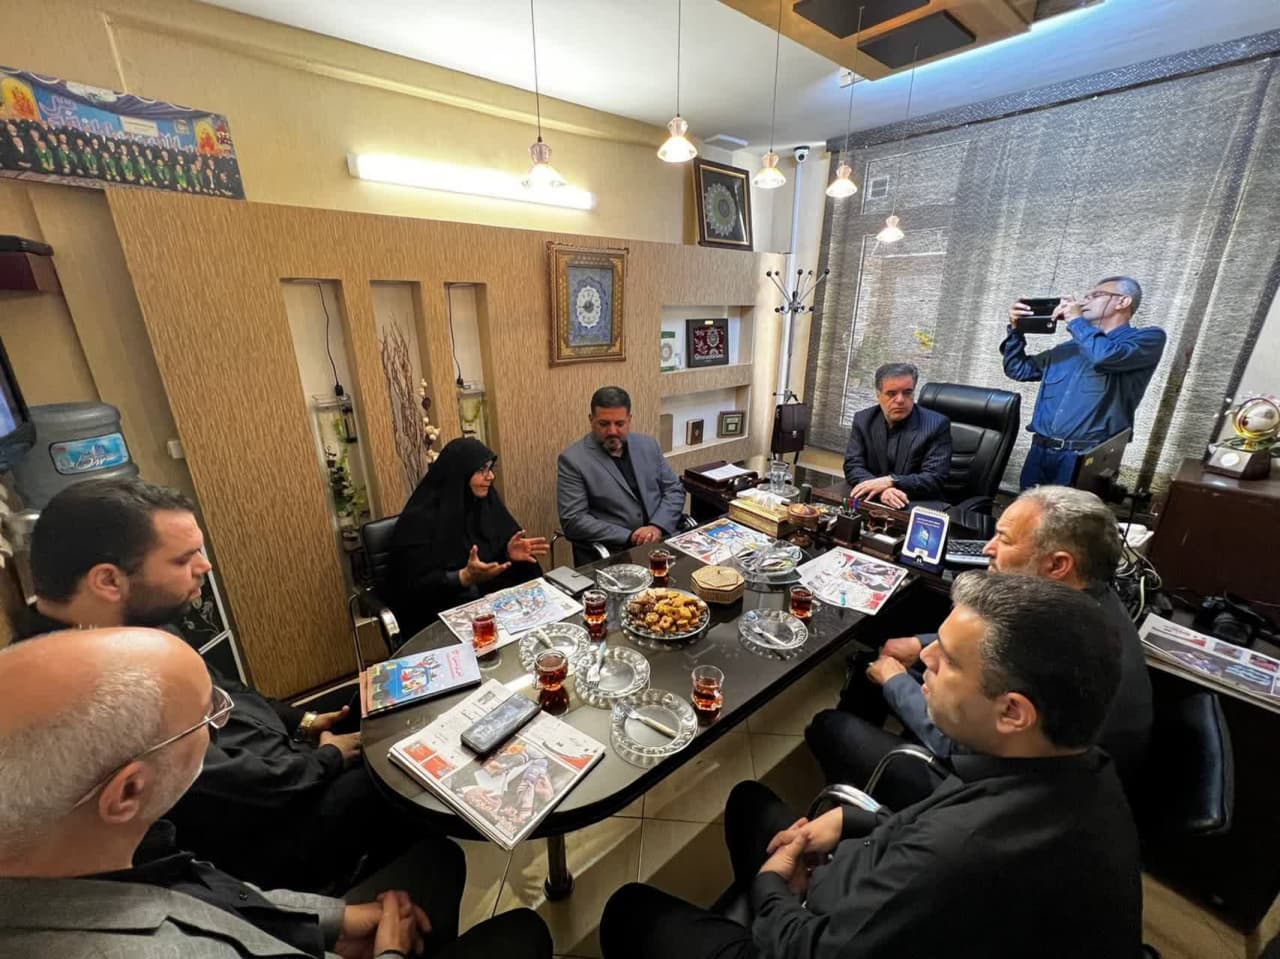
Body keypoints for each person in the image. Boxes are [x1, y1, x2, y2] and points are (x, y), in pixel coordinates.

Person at [600, 573, 1141, 959]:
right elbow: (935, 821)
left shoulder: (958, 854)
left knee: (629, 909)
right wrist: (856, 820)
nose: (925, 658)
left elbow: (808, 949)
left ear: (1012, 712)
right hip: (861, 884)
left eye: (949, 659)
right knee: (748, 802)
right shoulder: (1080, 769)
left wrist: (772, 888)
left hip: (811, 937)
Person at [0, 628, 553, 959]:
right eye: (210, 715)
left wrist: (331, 924)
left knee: (437, 861)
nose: (226, 722)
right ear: (128, 791)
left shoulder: (116, 850)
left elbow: (220, 898)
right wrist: (387, 949)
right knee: (524, 931)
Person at [20, 477, 454, 896]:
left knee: (385, 699)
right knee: (405, 771)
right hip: (271, 823)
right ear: (109, 581)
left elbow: (230, 691)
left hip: (286, 759)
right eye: (183, 559)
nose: (204, 566)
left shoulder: (141, 624)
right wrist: (327, 758)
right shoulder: (85, 696)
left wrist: (305, 721)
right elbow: (228, 786)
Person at [807, 485, 1153, 808]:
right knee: (876, 664)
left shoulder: (1052, 648)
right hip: (1026, 771)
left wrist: (895, 681)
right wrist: (919, 643)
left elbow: (956, 743)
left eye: (1004, 539)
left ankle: (857, 812)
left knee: (830, 726)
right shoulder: (1088, 605)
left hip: (996, 796)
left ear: (1057, 565)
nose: (988, 548)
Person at [1004, 276, 1166, 488]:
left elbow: (1104, 356)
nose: (1083, 302)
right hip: (1040, 451)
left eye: (1095, 296)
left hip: (1085, 457)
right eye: (1085, 297)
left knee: (1071, 510)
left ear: (1123, 302)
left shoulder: (1147, 339)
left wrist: (1075, 320)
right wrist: (1016, 329)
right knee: (1028, 508)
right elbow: (1018, 369)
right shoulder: (1069, 348)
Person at [389, 437, 548, 634]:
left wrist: (507, 553)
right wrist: (462, 577)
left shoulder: (486, 504)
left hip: (492, 608)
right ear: (460, 474)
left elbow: (492, 560)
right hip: (440, 617)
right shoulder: (418, 520)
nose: (490, 477)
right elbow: (411, 587)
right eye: (481, 470)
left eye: (490, 469)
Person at [556, 386, 687, 564]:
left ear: (629, 420)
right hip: (616, 553)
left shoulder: (648, 445)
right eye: (604, 424)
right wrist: (631, 536)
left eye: (619, 424)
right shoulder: (573, 460)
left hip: (661, 540)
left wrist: (657, 526)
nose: (612, 431)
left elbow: (674, 490)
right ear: (591, 420)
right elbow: (574, 520)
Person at [842, 363, 952, 509]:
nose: (900, 400)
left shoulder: (936, 425)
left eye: (907, 393)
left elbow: (934, 478)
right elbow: (853, 465)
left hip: (916, 504)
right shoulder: (864, 420)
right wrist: (882, 490)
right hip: (876, 501)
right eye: (892, 393)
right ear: (878, 395)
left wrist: (891, 481)